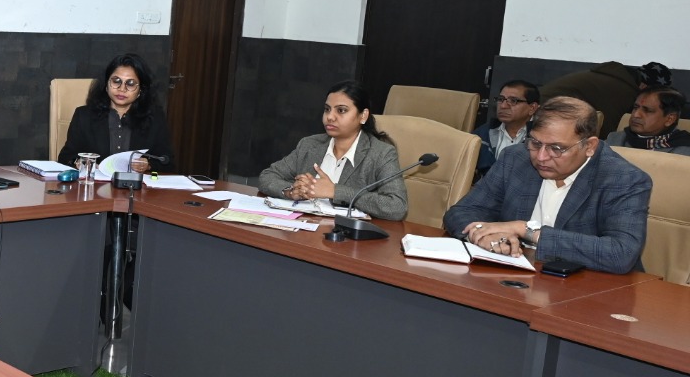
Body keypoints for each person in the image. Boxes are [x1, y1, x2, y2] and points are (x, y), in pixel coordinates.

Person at [444, 96, 652, 274]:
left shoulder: (624, 179)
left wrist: (526, 230)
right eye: (535, 143)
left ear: (589, 146)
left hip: (592, 289)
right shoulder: (516, 159)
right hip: (518, 275)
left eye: (556, 148)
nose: (541, 157)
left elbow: (621, 253)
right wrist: (485, 234)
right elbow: (462, 212)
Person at [256, 81, 409, 221]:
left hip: (346, 236)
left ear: (363, 116)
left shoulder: (381, 154)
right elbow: (267, 176)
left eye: (341, 110)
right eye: (327, 109)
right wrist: (290, 192)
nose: (330, 117)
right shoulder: (309, 145)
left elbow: (397, 207)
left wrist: (335, 191)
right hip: (304, 228)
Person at [55, 53, 173, 173]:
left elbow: (167, 161)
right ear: (106, 85)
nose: (122, 89)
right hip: (95, 183)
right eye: (116, 81)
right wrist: (79, 162)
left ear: (140, 90)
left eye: (130, 84)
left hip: (136, 184)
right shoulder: (84, 115)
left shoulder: (154, 118)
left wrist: (148, 165)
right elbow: (65, 158)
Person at [539, 60, 673, 134]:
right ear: (644, 86)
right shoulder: (623, 91)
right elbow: (608, 127)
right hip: (543, 113)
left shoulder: (612, 78)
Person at [474, 80, 539, 175]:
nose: (503, 106)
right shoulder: (482, 134)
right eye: (500, 99)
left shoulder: (541, 139)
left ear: (532, 108)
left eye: (513, 101)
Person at [607, 86, 690, 154]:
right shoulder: (614, 139)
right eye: (635, 107)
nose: (636, 115)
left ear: (669, 119)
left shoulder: (683, 152)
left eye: (647, 110)